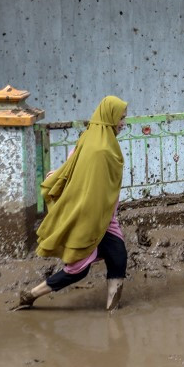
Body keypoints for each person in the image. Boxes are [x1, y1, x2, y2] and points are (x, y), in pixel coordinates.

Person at [15, 96, 129, 312]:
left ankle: (112, 312)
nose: (123, 123)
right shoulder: (101, 150)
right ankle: (30, 295)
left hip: (105, 218)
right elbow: (82, 175)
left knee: (118, 257)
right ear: (110, 117)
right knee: (78, 269)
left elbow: (73, 165)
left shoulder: (92, 139)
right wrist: (58, 179)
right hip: (90, 217)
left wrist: (58, 175)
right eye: (121, 118)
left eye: (124, 118)